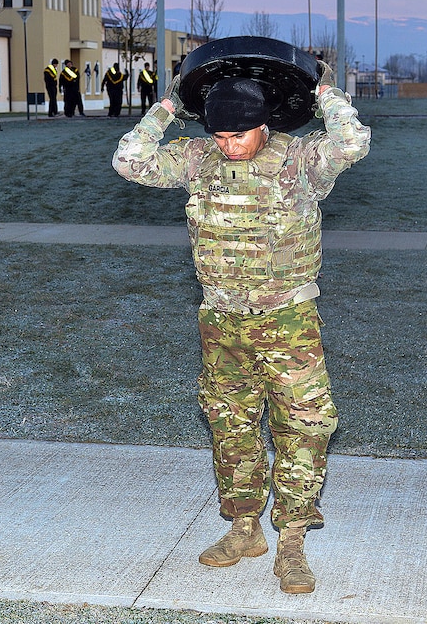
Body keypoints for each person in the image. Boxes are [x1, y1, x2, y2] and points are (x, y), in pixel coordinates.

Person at [112, 62, 371, 595]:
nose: (229, 145)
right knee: (231, 424)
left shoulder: (300, 159)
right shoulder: (197, 157)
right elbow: (129, 161)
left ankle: (293, 539)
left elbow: (352, 142)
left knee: (305, 425)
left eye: (240, 135)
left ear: (266, 125)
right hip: (222, 319)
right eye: (221, 134)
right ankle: (244, 527)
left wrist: (324, 92)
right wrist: (166, 108)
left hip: (288, 318)